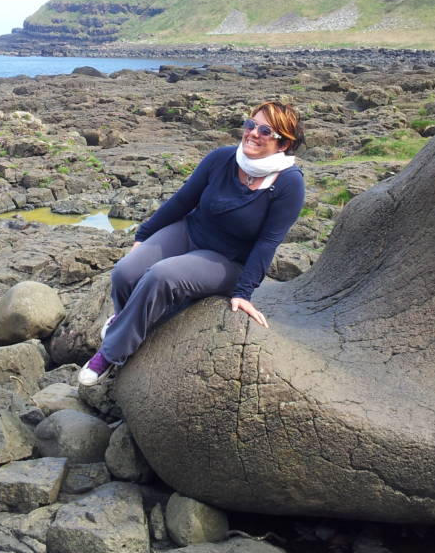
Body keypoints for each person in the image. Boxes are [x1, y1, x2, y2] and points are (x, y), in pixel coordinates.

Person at [78, 101, 306, 385]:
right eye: (250, 125)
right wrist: (143, 235)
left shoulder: (289, 184)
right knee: (125, 271)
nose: (252, 133)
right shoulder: (222, 158)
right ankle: (126, 321)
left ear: (283, 144)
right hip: (190, 231)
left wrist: (244, 292)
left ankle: (111, 355)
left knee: (161, 277)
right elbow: (183, 201)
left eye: (265, 131)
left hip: (227, 259)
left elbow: (267, 243)